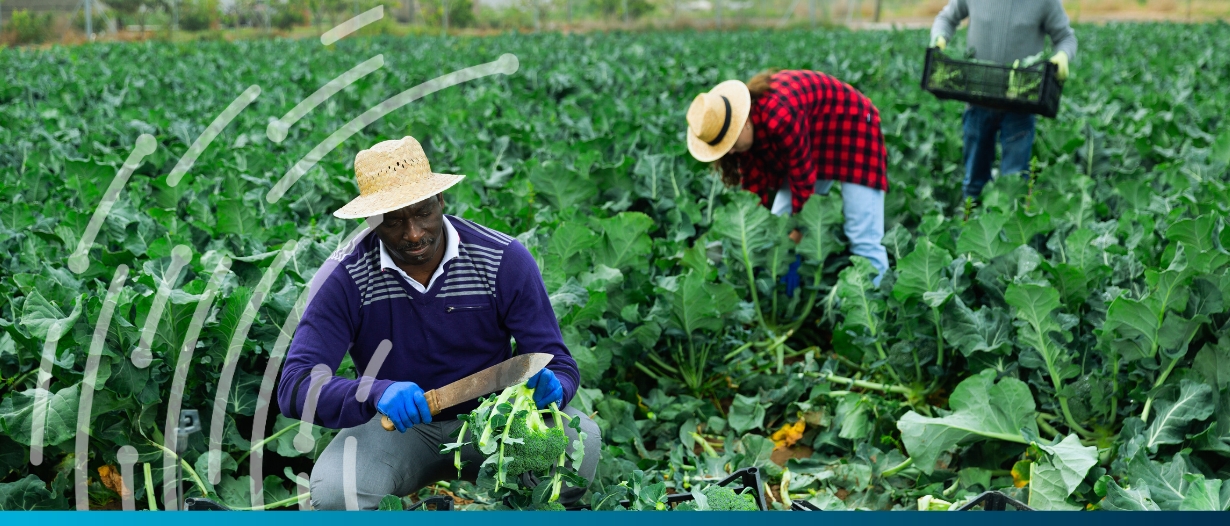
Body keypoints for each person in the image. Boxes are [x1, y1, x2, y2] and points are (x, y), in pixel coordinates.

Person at [277, 136, 600, 510]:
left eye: (423, 213)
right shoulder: (344, 276)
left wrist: (555, 387)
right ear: (370, 219)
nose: (413, 233)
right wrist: (374, 393)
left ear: (441, 201)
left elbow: (557, 362)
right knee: (337, 493)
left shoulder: (502, 259)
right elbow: (295, 384)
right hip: (397, 429)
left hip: (495, 424)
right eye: (394, 221)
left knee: (578, 443)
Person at [686, 70, 890, 288]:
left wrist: (796, 232)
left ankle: (878, 309)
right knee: (777, 226)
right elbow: (754, 194)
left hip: (854, 126)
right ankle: (785, 294)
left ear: (743, 121)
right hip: (814, 136)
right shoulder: (747, 137)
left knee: (862, 237)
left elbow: (803, 182)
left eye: (731, 143)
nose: (732, 152)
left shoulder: (780, 117)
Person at [930, 0, 1077, 199]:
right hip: (977, 101)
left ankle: (1012, 228)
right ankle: (970, 225)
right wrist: (940, 37)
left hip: (1022, 104)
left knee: (1014, 184)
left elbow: (1065, 37)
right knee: (973, 183)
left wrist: (1063, 55)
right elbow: (946, 18)